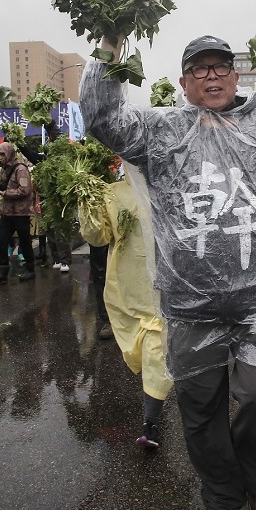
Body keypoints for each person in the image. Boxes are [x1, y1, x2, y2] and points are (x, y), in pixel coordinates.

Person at [81, 33, 256, 510]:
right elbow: (102, 120)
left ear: (237, 76)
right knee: (199, 411)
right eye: (199, 69)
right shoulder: (160, 130)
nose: (213, 75)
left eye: (221, 66)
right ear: (183, 83)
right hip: (190, 302)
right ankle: (220, 499)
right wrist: (110, 48)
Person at [79, 175, 173, 448]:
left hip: (164, 287)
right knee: (143, 349)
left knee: (157, 346)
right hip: (127, 285)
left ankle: (150, 422)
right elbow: (97, 237)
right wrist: (87, 203)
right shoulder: (111, 192)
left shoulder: (173, 182)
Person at [0, 142, 36, 283]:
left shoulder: (20, 169)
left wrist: (4, 192)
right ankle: (2, 271)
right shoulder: (4, 170)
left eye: (2, 154)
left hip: (21, 212)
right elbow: (6, 184)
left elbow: (24, 190)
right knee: (1, 240)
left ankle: (30, 269)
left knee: (25, 241)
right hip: (8, 212)